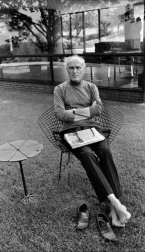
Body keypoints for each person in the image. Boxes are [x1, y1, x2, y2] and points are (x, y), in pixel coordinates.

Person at [54, 55, 131, 227]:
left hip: (93, 130)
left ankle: (112, 207)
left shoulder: (91, 87)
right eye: (71, 68)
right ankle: (116, 203)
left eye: (78, 68)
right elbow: (59, 114)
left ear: (83, 69)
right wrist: (88, 111)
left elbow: (99, 109)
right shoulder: (60, 89)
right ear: (67, 70)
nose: (74, 71)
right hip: (70, 131)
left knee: (105, 151)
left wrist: (73, 112)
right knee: (87, 155)